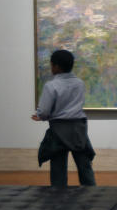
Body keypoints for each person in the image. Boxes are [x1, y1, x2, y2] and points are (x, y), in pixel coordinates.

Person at [32, 49, 96, 187]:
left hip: (59, 129)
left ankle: (58, 198)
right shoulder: (79, 83)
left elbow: (44, 111)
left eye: (51, 65)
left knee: (58, 168)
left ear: (56, 66)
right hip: (78, 128)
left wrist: (40, 116)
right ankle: (92, 193)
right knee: (84, 166)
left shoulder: (51, 85)